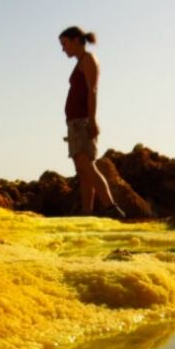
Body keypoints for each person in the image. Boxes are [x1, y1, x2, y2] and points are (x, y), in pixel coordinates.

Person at [60, 26, 124, 217]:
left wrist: (92, 121)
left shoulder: (88, 60)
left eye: (65, 44)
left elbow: (92, 91)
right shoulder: (80, 61)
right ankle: (87, 211)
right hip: (75, 121)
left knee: (87, 165)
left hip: (82, 121)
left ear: (76, 41)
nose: (63, 49)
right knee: (83, 170)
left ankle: (111, 207)